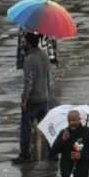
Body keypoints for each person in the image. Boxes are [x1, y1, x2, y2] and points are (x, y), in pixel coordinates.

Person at [14, 33, 52, 164]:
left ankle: (24, 155)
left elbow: (28, 81)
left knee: (26, 128)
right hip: (43, 98)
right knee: (47, 128)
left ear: (29, 43)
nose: (23, 44)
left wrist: (24, 100)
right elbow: (48, 77)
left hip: (33, 100)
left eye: (25, 42)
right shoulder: (44, 56)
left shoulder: (29, 59)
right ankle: (53, 152)